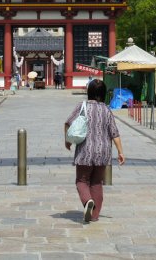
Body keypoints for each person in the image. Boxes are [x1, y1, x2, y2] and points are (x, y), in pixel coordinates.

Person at [64, 79, 125, 223]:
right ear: (103, 93)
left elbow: (68, 123)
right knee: (97, 182)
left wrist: (67, 141)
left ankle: (87, 201)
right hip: (103, 152)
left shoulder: (82, 106)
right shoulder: (106, 109)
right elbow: (114, 133)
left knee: (82, 180)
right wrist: (121, 152)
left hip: (85, 150)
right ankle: (94, 215)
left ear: (89, 92)